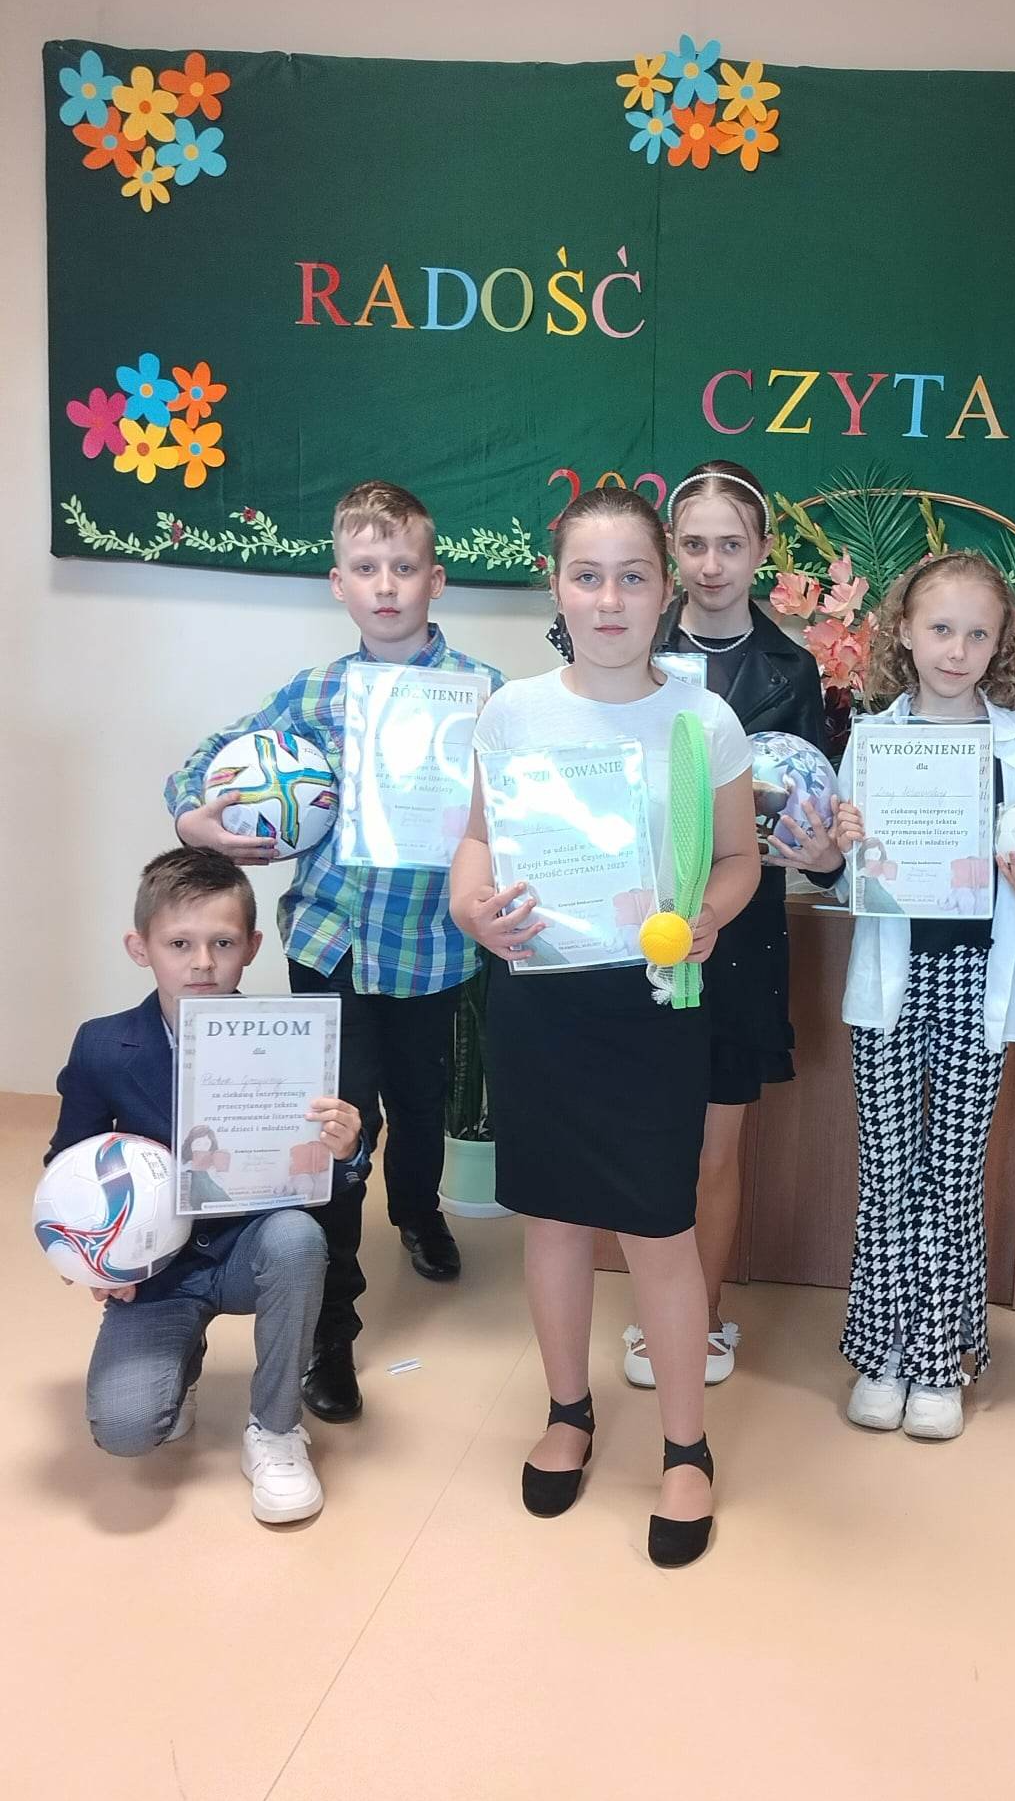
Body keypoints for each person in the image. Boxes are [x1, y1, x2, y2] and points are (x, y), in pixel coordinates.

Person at [450, 486, 760, 1567]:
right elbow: (478, 841)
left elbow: (739, 858)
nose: (611, 598)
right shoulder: (513, 713)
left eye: (633, 576)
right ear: (557, 587)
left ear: (666, 588)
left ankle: (685, 1447)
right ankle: (568, 1411)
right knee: (552, 1220)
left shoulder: (702, 721)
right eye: (588, 576)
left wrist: (709, 916)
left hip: (652, 1003)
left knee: (659, 1228)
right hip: (540, 996)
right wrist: (471, 906)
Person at [165, 481, 503, 1425]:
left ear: (436, 579)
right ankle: (331, 1328)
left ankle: (420, 1211)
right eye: (365, 568)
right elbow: (203, 762)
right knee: (337, 1131)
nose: (386, 585)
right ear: (338, 584)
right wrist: (196, 819)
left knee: (422, 1103)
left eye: (404, 567)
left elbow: (520, 804)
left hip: (433, 946)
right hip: (332, 945)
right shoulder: (313, 694)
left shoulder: (482, 694)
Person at [820, 553, 1015, 1440]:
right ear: (903, 632)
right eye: (939, 629)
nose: (956, 651)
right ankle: (880, 1356)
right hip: (890, 983)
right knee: (887, 1170)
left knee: (953, 1176)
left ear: (1002, 645)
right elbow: (844, 872)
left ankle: (938, 1362)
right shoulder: (873, 738)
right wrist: (844, 841)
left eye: (977, 634)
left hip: (977, 976)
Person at [46, 848, 364, 1523]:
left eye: (222, 943)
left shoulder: (295, 1043)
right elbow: (67, 1164)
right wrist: (96, 1264)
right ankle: (179, 1364)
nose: (202, 963)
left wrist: (347, 1149)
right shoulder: (102, 1045)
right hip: (156, 1265)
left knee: (297, 1237)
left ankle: (275, 1430)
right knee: (128, 1430)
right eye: (179, 944)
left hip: (252, 1247)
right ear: (140, 948)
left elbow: (328, 1183)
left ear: (251, 947)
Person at [620, 459, 832, 1390]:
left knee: (716, 1143)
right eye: (695, 545)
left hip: (740, 936)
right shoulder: (629, 645)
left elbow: (810, 812)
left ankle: (702, 1317)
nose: (711, 565)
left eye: (731, 546)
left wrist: (822, 847)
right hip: (634, 925)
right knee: (647, 1135)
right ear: (672, 549)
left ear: (761, 552)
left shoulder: (793, 668)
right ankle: (653, 1311)